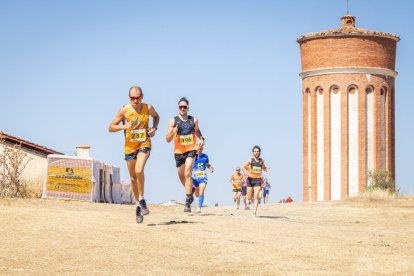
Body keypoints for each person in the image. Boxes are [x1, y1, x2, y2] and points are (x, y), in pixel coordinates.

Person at [108, 86, 160, 223]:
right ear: (129, 97)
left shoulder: (148, 108)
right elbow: (110, 127)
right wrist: (123, 127)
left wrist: (154, 128)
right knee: (132, 178)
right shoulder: (124, 110)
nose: (135, 100)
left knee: (139, 170)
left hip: (144, 143)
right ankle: (138, 205)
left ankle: (142, 199)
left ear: (142, 96)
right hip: (129, 147)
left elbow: (156, 117)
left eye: (137, 98)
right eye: (132, 98)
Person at [166, 97, 205, 212]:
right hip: (178, 153)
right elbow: (167, 139)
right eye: (180, 107)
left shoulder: (194, 120)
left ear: (188, 108)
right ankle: (191, 191)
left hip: (191, 150)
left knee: (188, 172)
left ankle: (187, 201)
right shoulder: (173, 121)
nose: (182, 108)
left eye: (184, 107)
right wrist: (172, 132)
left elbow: (197, 131)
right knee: (183, 178)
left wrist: (201, 139)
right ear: (178, 108)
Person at [243, 145, 271, 217]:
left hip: (258, 180)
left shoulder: (261, 161)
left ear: (260, 152)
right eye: (255, 151)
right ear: (253, 152)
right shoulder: (250, 160)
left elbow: (264, 168)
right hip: (250, 179)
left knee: (256, 197)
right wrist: (245, 171)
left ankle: (254, 213)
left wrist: (268, 169)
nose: (256, 153)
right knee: (249, 197)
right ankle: (249, 197)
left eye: (257, 151)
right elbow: (244, 167)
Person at [192, 145, 214, 213]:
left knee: (202, 191)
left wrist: (210, 168)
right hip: (194, 176)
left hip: (202, 176)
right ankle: (191, 199)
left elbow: (207, 164)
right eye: (198, 149)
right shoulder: (192, 156)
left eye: (201, 149)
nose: (199, 150)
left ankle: (199, 207)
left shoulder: (205, 156)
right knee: (196, 194)